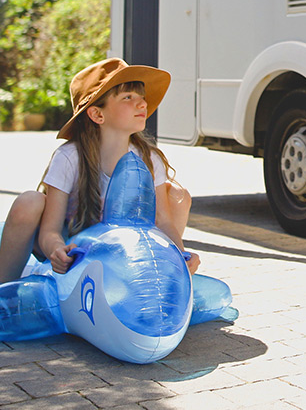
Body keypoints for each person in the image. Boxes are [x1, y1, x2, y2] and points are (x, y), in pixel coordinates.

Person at [0, 58, 199, 284]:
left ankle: (163, 279)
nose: (142, 104)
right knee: (30, 201)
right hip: (74, 244)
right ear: (97, 115)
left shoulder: (149, 158)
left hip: (120, 247)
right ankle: (4, 288)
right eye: (128, 97)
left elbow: (163, 222)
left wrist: (180, 255)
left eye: (142, 98)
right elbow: (50, 230)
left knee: (178, 196)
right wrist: (57, 248)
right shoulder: (69, 157)